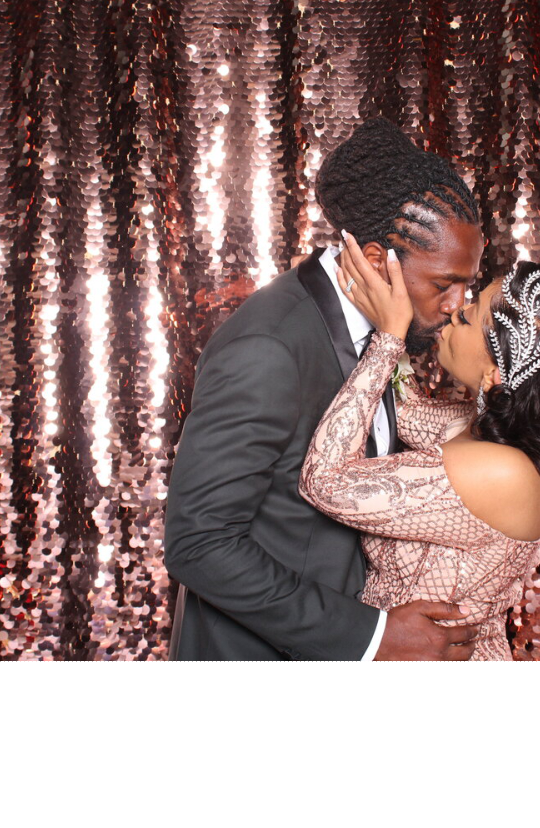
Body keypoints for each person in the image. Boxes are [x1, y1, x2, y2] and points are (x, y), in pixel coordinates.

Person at [164, 117, 485, 660]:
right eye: (443, 284)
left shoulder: (385, 331)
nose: (457, 305)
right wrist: (374, 637)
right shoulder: (269, 348)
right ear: (379, 259)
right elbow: (199, 544)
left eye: (468, 284)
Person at [299, 230, 540, 660]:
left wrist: (388, 337)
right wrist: (374, 303)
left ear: (497, 376)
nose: (455, 309)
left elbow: (323, 481)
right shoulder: (492, 432)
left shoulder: (504, 471)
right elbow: (401, 408)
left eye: (469, 315)